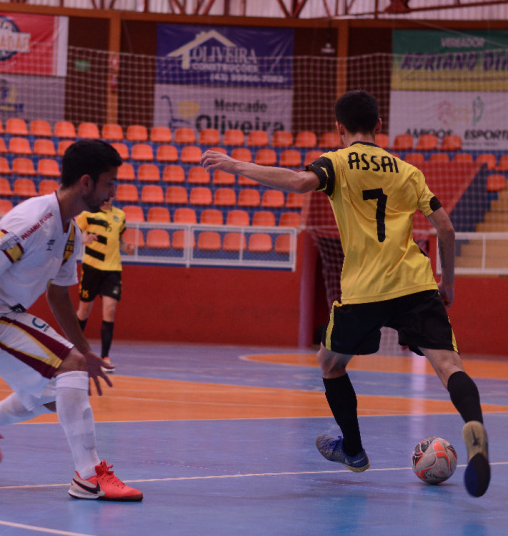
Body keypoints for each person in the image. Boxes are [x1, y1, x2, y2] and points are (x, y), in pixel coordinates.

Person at [200, 90, 491, 498]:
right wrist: (448, 286)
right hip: (415, 283)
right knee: (448, 364)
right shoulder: (408, 171)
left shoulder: (337, 161)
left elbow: (299, 182)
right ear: (378, 126)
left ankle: (353, 451)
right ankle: (474, 426)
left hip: (363, 290)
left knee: (330, 363)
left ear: (339, 128)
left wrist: (235, 164)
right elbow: (446, 229)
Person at [0, 139, 143, 502]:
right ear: (86, 183)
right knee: (67, 369)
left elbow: (58, 294)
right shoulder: (32, 221)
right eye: (109, 183)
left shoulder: (69, 232)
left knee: (58, 395)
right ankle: (89, 477)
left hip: (6, 316)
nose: (113, 192)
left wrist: (85, 351)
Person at [75, 198, 135, 372]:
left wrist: (127, 248)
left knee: (110, 310)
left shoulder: (120, 215)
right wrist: (85, 239)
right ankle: (76, 351)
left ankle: (105, 357)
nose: (109, 196)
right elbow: (73, 234)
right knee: (84, 310)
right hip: (92, 268)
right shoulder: (87, 214)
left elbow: (120, 239)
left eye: (112, 192)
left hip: (113, 269)